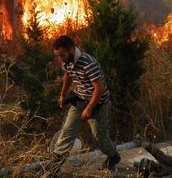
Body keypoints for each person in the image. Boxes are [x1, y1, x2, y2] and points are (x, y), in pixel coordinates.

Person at [45, 35, 121, 176]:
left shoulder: (88, 63)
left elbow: (100, 88)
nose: (60, 59)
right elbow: (68, 75)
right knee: (66, 134)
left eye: (62, 55)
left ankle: (113, 156)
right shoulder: (66, 61)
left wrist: (89, 109)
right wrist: (62, 95)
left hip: (98, 104)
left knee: (100, 140)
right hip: (80, 100)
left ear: (72, 50)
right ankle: (52, 170)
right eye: (58, 56)